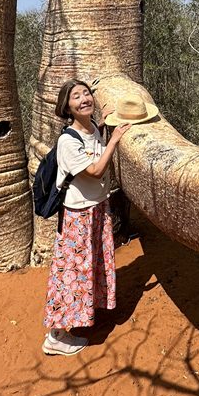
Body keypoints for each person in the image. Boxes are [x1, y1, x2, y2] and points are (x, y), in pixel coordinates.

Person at [42, 79, 130, 356]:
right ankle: (55, 335)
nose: (83, 99)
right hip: (78, 214)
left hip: (97, 207)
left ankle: (87, 311)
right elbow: (93, 171)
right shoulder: (67, 140)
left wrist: (104, 128)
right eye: (75, 96)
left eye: (86, 93)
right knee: (71, 272)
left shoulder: (92, 128)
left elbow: (94, 141)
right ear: (66, 107)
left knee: (94, 262)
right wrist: (114, 141)